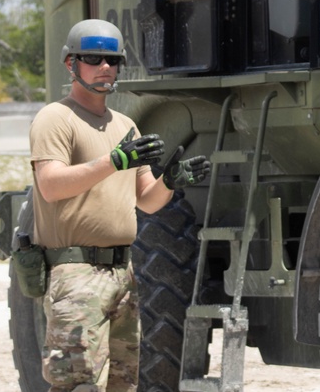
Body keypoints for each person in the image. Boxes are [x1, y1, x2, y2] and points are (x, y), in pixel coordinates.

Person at [29, 19, 211, 391]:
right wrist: (113, 161)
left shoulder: (125, 124)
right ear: (71, 63)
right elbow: (49, 185)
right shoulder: (55, 118)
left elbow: (146, 201)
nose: (105, 67)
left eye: (113, 60)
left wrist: (172, 181)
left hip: (121, 275)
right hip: (74, 273)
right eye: (93, 58)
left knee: (123, 384)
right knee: (77, 384)